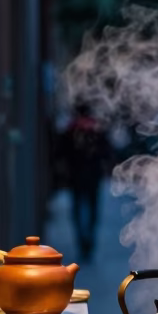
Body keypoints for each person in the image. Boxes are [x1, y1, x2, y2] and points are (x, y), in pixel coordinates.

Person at [58, 102, 112, 263]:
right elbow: (106, 153)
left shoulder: (71, 130)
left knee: (79, 211)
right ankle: (87, 242)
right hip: (91, 177)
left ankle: (84, 242)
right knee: (91, 210)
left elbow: (60, 154)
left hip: (77, 178)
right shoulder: (96, 130)